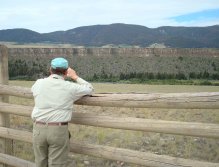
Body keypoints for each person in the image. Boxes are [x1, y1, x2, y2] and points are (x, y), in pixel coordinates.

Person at [31, 57, 93, 167]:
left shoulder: (38, 83)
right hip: (57, 130)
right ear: (66, 72)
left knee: (40, 163)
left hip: (38, 128)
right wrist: (75, 76)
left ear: (50, 69)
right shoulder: (70, 87)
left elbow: (34, 91)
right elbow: (89, 88)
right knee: (57, 164)